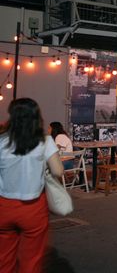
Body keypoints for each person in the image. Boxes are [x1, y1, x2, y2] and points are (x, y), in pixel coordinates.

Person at [0, 98, 64, 273]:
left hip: (4, 206)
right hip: (33, 207)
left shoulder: (1, 141)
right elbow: (58, 171)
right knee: (32, 258)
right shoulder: (45, 141)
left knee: (4, 257)